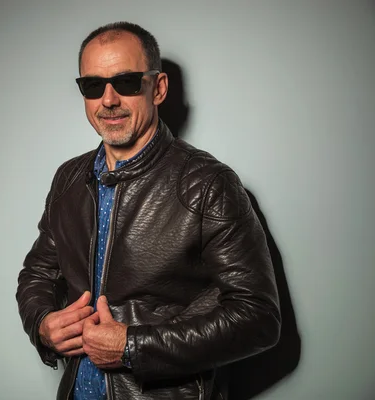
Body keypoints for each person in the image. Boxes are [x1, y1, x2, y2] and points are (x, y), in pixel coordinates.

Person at [16, 21, 281, 400]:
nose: (108, 100)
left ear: (158, 88)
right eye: (93, 85)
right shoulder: (68, 179)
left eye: (125, 82)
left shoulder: (207, 184)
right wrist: (42, 323)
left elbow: (258, 318)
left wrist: (132, 346)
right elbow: (37, 272)